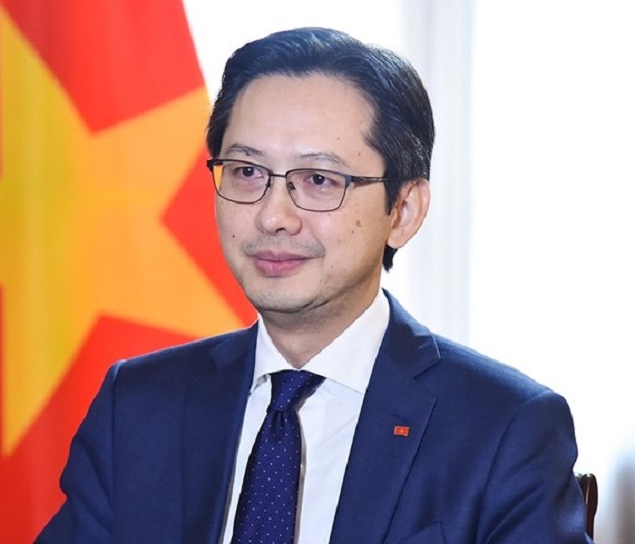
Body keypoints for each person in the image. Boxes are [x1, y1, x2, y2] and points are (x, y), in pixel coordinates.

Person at [37, 27, 592, 543]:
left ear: (403, 211)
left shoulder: (504, 427)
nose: (273, 216)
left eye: (319, 179)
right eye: (247, 172)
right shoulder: (137, 405)